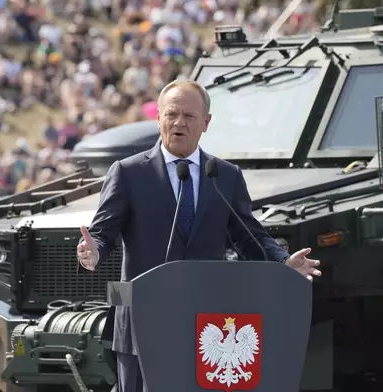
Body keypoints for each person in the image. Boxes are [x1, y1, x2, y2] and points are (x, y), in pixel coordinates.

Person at [77, 79, 321, 392]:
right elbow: (102, 233)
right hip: (142, 320)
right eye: (171, 114)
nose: (179, 123)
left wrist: (282, 261)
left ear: (205, 123)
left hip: (204, 321)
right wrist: (93, 250)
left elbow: (249, 235)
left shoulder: (224, 175)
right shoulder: (128, 172)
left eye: (189, 116)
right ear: (159, 118)